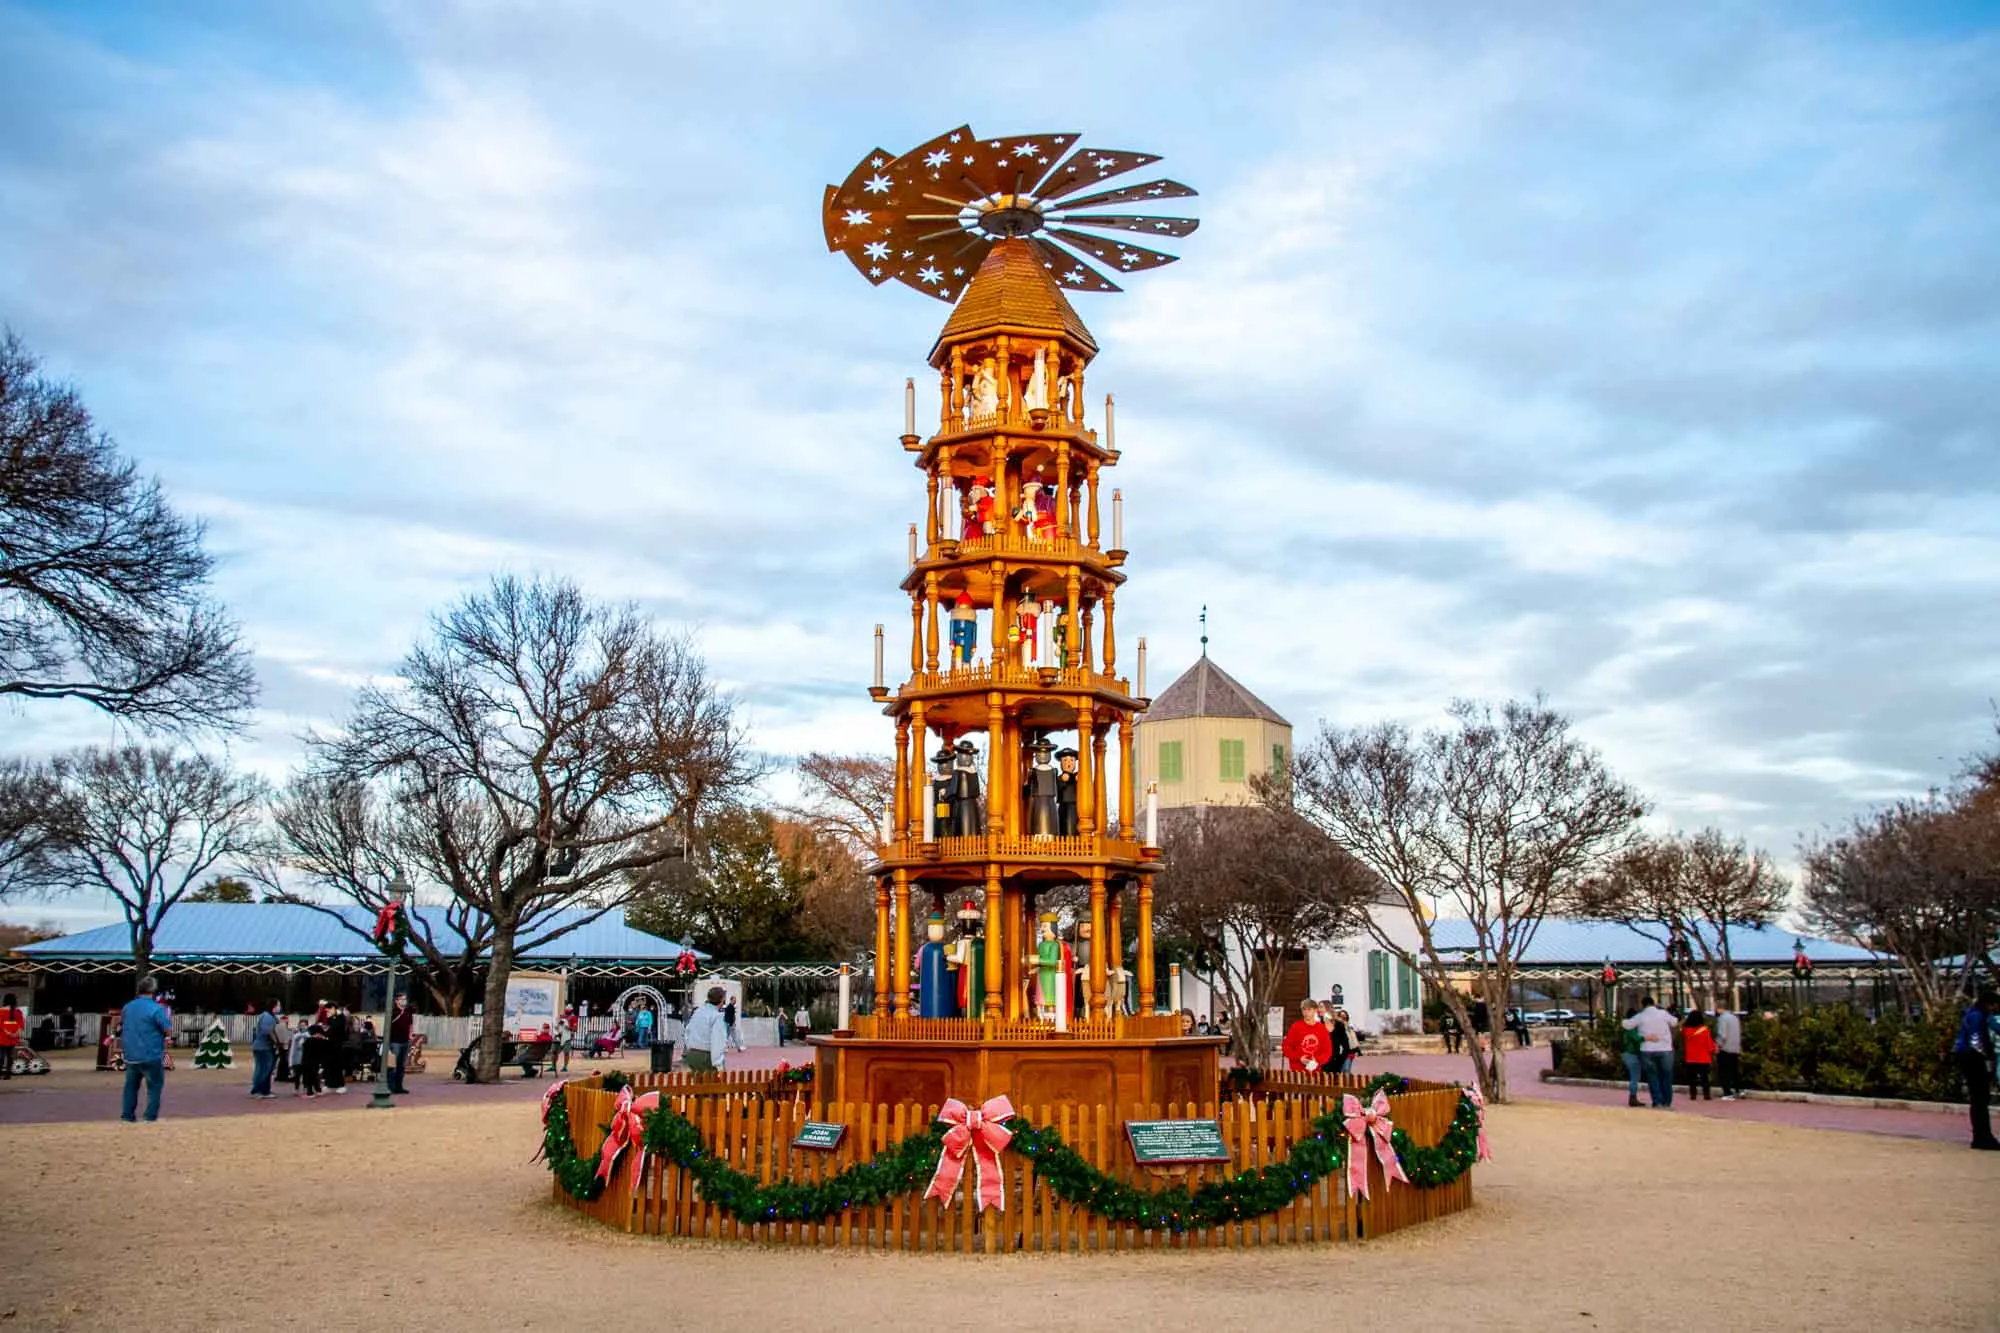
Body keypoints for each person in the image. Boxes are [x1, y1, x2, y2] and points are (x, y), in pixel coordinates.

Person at [119, 977, 174, 1122]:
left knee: (130, 1086)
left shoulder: (127, 1007)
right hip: (151, 1053)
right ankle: (150, 1116)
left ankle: (127, 1115)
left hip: (131, 1054)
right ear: (153, 991)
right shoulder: (156, 1008)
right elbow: (167, 1028)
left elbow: (121, 1025)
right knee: (154, 1087)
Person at [1952, 989, 1998, 1151]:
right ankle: (1983, 1137)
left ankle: (1981, 1136)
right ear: (1989, 1004)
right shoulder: (1978, 1016)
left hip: (1966, 1056)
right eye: (1994, 1006)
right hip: (1971, 1058)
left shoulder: (1974, 1014)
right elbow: (1976, 1040)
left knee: (1978, 1099)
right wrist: (1988, 1058)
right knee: (1980, 1098)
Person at [1621, 994, 1679, 1109]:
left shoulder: (1641, 1016)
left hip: (1647, 1050)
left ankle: (1657, 1102)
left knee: (1653, 1077)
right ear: (1654, 1003)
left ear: (1643, 1005)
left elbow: (1626, 1025)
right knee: (1666, 1076)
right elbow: (1675, 1022)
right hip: (1665, 1048)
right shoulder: (1663, 1014)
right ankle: (1667, 1102)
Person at [683, 986, 729, 1073]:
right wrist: (719, 1065)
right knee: (714, 1085)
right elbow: (717, 1041)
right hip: (706, 1056)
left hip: (692, 1053)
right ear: (722, 1000)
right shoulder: (717, 1016)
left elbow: (687, 1031)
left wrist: (689, 1047)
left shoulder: (698, 1012)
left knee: (697, 1084)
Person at [1281, 1000, 1331, 1073]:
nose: (1306, 1013)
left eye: (1309, 1009)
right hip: (1297, 1071)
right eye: (1304, 1009)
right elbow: (1286, 1047)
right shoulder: (1296, 1027)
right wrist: (1299, 1058)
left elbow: (1327, 1050)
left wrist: (1317, 1060)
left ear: (1315, 1010)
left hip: (1315, 1070)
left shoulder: (1322, 1028)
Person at [249, 998, 281, 1100]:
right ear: (274, 1006)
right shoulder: (268, 1017)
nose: (279, 1007)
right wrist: (277, 1042)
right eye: (278, 1005)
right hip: (264, 1047)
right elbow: (267, 1032)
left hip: (261, 1046)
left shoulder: (268, 1016)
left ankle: (264, 1090)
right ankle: (259, 1090)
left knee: (263, 1068)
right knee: (264, 1069)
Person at [1682, 1009, 1716, 1101]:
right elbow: (1709, 1044)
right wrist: (1713, 1050)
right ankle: (1706, 1095)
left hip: (1690, 1058)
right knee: (1704, 1078)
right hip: (1703, 1058)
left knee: (1692, 1079)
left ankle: (1693, 1095)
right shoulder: (1704, 1030)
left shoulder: (1685, 1030)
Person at [1713, 1005, 1744, 1100]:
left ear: (1719, 1008)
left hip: (1725, 1048)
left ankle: (1727, 1092)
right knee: (1734, 1070)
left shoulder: (1722, 1018)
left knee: (1724, 1071)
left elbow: (1722, 1034)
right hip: (1735, 1047)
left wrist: (1717, 1045)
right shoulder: (1734, 1018)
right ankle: (1739, 1090)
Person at [1619, 1005, 1645, 1108]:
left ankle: (1633, 1097)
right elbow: (1637, 1039)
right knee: (1635, 1077)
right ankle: (1632, 1097)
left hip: (1627, 1053)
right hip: (1632, 1054)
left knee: (1634, 1076)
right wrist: (1648, 1038)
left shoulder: (1626, 1027)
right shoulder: (1631, 1028)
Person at [388, 994, 414, 1095]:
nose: (404, 1001)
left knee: (401, 1066)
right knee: (392, 1065)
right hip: (395, 1041)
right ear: (396, 1001)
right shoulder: (393, 1012)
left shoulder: (408, 1012)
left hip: (405, 1041)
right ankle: (391, 1086)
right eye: (402, 999)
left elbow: (410, 1024)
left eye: (405, 999)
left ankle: (399, 1087)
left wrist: (410, 1035)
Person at [324, 1005, 349, 1093]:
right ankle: (329, 1084)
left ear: (334, 1008)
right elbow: (328, 1029)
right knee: (329, 1065)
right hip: (329, 1045)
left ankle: (340, 1085)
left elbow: (336, 1027)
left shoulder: (340, 1018)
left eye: (329, 1010)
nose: (327, 1012)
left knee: (337, 1066)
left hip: (338, 1046)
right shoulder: (331, 1018)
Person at [0, 993, 23, 1079]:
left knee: (1, 1056)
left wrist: (7, 1032)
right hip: (13, 1037)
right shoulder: (17, 1011)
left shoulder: (1, 1010)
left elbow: (0, 1024)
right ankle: (8, 1074)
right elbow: (21, 1024)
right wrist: (16, 1033)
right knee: (10, 1056)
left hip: (2, 1036)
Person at [1328, 1008, 1357, 1074]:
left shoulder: (1349, 1027)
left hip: (1350, 1052)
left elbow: (1354, 1039)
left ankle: (1346, 1082)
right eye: (1341, 1016)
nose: (1343, 1018)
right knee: (1343, 1069)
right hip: (1342, 1052)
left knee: (1346, 1069)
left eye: (1345, 1017)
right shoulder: (1338, 1027)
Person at [287, 1018, 311, 1097]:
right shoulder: (295, 1036)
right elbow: (292, 1047)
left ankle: (305, 1087)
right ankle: (296, 1088)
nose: (302, 1027)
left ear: (307, 1026)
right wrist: (290, 1060)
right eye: (301, 1025)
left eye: (304, 1025)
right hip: (297, 1058)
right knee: (297, 1074)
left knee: (306, 1074)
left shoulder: (309, 1035)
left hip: (305, 1057)